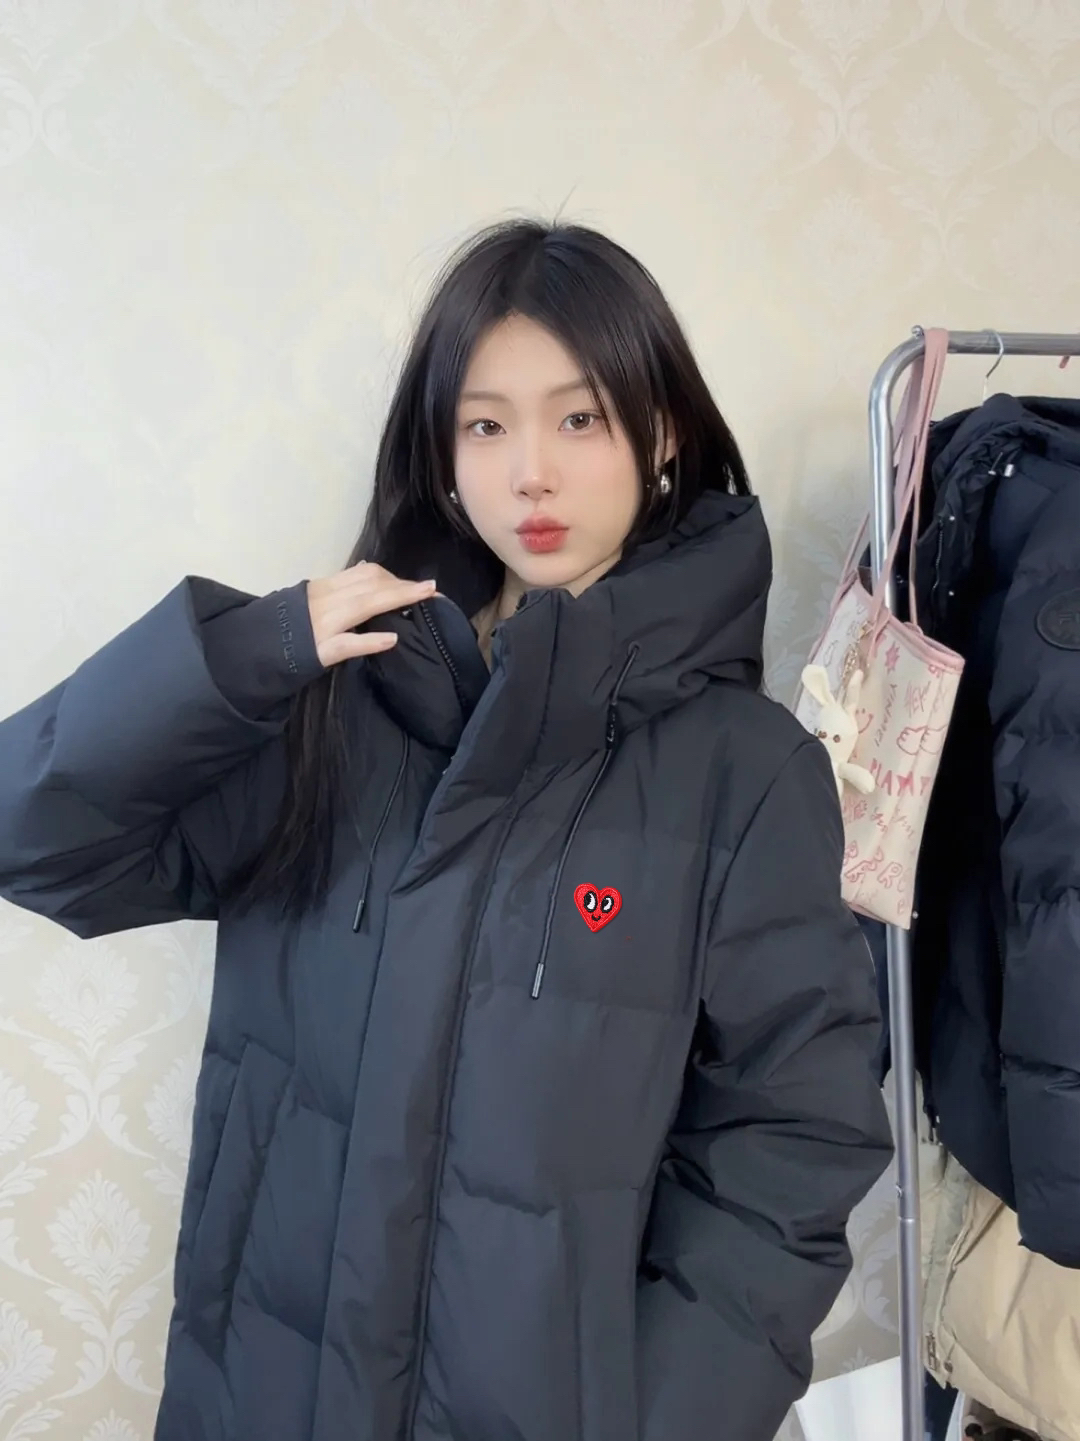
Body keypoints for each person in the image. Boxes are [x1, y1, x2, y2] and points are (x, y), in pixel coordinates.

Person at [0, 218, 892, 1441]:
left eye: (580, 418)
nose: (531, 473)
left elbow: (791, 1138)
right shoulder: (328, 705)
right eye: (485, 425)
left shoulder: (745, 773)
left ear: (662, 432)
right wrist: (251, 652)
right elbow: (35, 835)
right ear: (441, 449)